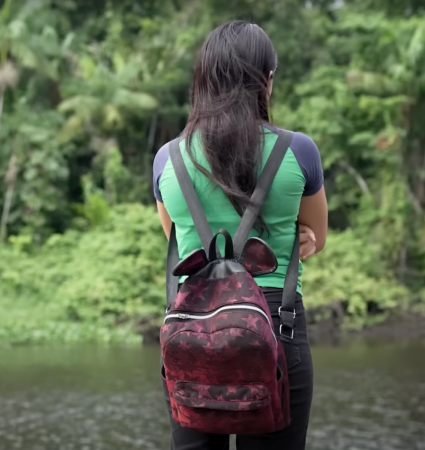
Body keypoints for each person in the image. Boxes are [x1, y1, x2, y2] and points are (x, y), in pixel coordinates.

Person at [152, 21, 328, 450]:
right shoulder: (298, 150)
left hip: (192, 331)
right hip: (276, 327)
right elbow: (315, 238)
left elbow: (177, 240)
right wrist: (294, 234)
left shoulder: (168, 159)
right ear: (266, 80)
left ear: (203, 82)